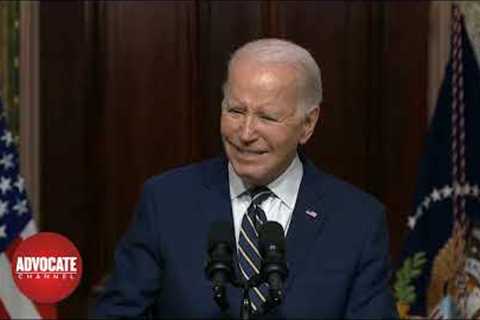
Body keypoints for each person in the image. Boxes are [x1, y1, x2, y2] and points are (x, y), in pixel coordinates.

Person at [94, 38, 397, 318]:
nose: (246, 133)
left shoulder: (357, 221)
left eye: (267, 117)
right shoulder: (166, 201)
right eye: (236, 111)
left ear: (308, 123)